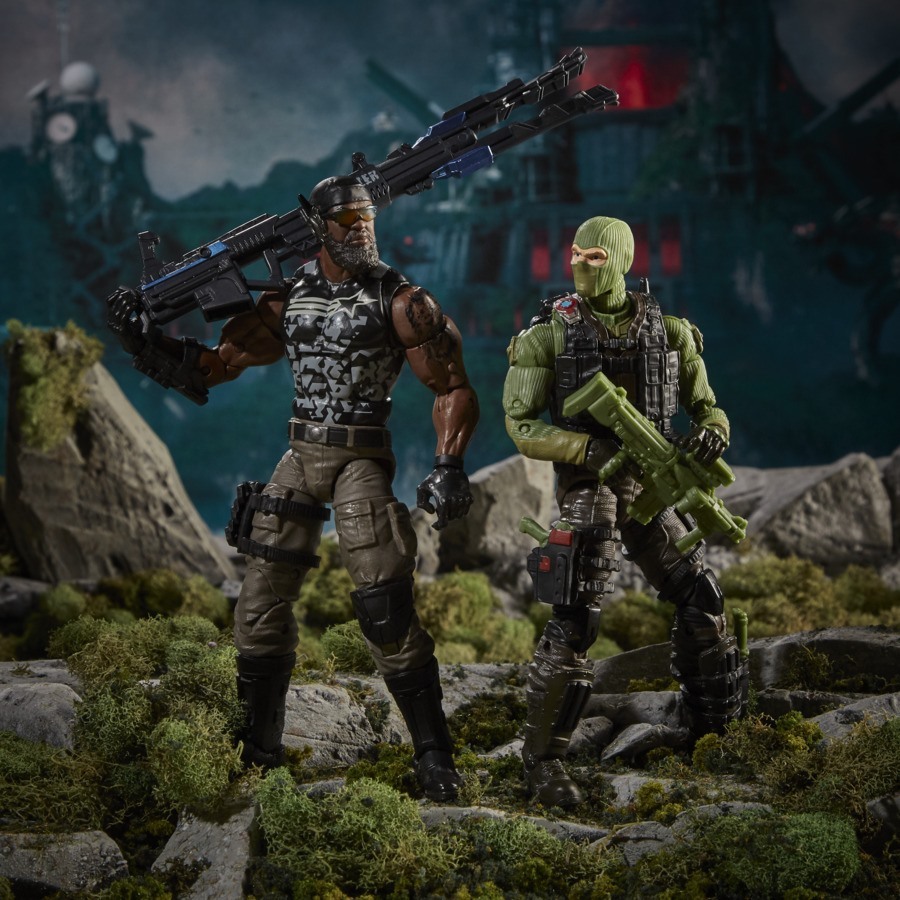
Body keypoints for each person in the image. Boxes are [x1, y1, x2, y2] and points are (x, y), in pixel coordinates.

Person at [109, 175, 479, 801]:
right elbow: (218, 365)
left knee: (385, 606)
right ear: (319, 226)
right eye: (347, 219)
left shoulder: (402, 301)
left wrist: (448, 464)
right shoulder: (288, 298)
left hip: (361, 456)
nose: (361, 228)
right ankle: (259, 751)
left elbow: (452, 386)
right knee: (256, 608)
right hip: (301, 454)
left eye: (367, 217)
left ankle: (434, 753)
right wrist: (145, 342)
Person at [502, 215, 746, 808]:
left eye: (595, 257)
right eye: (575, 254)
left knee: (703, 597)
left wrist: (712, 433)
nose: (580, 265)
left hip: (653, 481)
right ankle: (542, 761)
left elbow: (708, 407)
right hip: (592, 484)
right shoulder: (548, 335)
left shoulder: (671, 331)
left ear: (622, 260)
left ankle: (715, 734)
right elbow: (521, 424)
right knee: (576, 617)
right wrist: (586, 449)